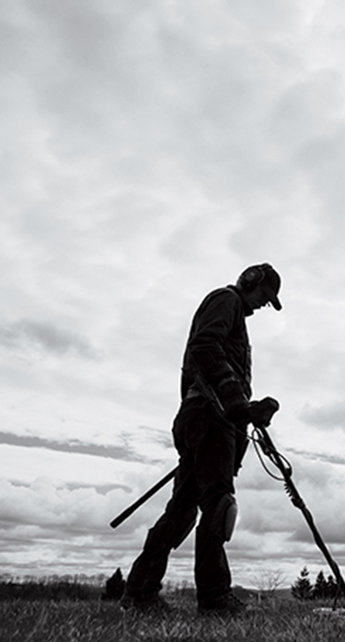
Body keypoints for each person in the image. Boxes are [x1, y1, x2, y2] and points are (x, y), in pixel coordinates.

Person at [121, 263, 283, 616]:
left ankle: (139, 593)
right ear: (251, 283)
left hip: (205, 417)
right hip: (209, 418)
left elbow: (214, 361)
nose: (261, 306)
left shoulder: (234, 312)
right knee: (219, 504)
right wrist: (237, 402)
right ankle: (215, 600)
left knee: (181, 511)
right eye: (263, 297)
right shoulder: (226, 300)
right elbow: (205, 346)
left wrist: (247, 410)